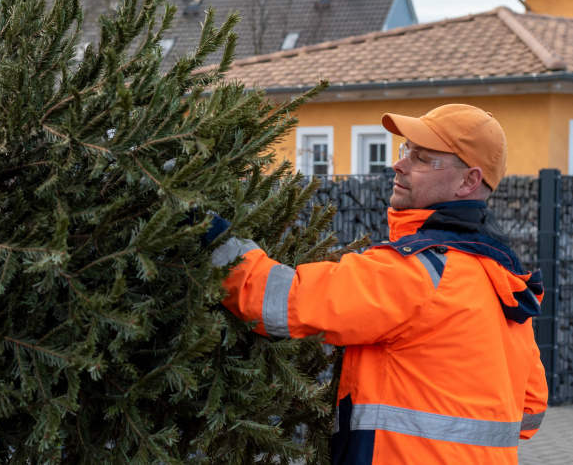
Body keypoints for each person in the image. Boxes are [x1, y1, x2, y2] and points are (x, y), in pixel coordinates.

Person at [210, 104, 548, 464]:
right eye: (406, 151)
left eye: (422, 158)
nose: (399, 165)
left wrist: (210, 237)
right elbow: (530, 410)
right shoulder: (505, 282)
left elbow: (283, 299)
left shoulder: (419, 271)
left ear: (468, 181)